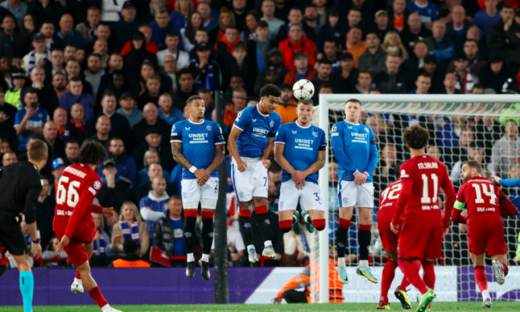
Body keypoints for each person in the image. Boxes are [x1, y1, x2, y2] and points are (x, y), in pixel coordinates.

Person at [390, 125, 456, 312]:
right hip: (435, 217)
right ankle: (427, 306)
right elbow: (451, 195)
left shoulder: (408, 166)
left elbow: (404, 194)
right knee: (428, 263)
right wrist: (445, 220)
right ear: (427, 143)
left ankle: (424, 291)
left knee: (403, 259)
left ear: (407, 144)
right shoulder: (439, 165)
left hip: (415, 218)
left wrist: (395, 219)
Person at [52, 141, 120, 312]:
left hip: (59, 223)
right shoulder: (95, 179)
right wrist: (69, 234)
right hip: (77, 226)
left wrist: (100, 209)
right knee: (90, 239)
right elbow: (80, 206)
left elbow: (71, 201)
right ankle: (105, 307)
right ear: (97, 159)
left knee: (84, 260)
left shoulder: (67, 169)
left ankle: (78, 282)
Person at [171, 95, 225, 279]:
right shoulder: (179, 126)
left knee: (208, 220)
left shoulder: (213, 126)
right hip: (189, 177)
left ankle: (205, 260)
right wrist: (196, 171)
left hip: (211, 177)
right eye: (197, 105)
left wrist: (207, 172)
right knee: (190, 219)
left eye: (203, 105)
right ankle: (189, 260)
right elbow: (176, 154)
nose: (201, 108)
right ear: (188, 109)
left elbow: (221, 153)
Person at [452, 160, 518, 308]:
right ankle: (500, 268)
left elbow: (454, 217)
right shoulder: (494, 187)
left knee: (478, 265)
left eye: (464, 170)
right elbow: (513, 211)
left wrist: (469, 218)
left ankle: (486, 297)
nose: (461, 174)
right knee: (502, 265)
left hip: (475, 225)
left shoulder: (463, 188)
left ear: (474, 171)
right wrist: (494, 210)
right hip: (494, 223)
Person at [228, 84, 281, 263]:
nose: (274, 105)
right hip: (242, 162)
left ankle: (267, 245)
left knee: (261, 201)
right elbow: (231, 138)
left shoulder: (276, 118)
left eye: (277, 102)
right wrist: (238, 161)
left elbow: (269, 142)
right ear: (263, 98)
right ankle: (250, 247)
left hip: (258, 163)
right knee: (245, 205)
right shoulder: (247, 113)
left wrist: (267, 159)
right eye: (272, 101)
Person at [330, 98, 379, 284]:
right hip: (347, 179)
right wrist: (355, 172)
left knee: (366, 220)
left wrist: (366, 173)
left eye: (355, 107)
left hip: (366, 179)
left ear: (361, 111)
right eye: (349, 107)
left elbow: (374, 154)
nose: (352, 110)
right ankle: (341, 262)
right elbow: (339, 152)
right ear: (344, 110)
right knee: (346, 218)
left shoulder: (367, 130)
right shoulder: (338, 127)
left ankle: (364, 264)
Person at [0, 139, 46, 312]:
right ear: (46, 157)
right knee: (24, 263)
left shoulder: (8, 168)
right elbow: (29, 212)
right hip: (6, 217)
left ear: (28, 154)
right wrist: (35, 241)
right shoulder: (36, 179)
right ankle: (28, 310)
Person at [274, 99, 327, 237]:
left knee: (320, 225)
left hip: (310, 179)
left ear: (312, 112)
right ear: (296, 110)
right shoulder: (285, 128)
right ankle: (295, 217)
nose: (305, 113)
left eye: (308, 110)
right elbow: (277, 156)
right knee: (284, 228)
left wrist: (304, 174)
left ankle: (306, 214)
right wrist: (295, 173)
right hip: (289, 179)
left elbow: (321, 161)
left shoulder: (319, 133)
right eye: (302, 109)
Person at [376, 176, 412, 310]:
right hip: (401, 217)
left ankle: (383, 299)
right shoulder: (412, 183)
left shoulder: (386, 189)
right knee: (417, 257)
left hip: (383, 220)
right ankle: (402, 288)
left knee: (391, 259)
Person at [152, 196, 186, 261]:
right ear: (169, 206)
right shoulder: (161, 222)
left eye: (179, 205)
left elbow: (198, 238)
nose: (177, 207)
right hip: (168, 259)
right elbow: (155, 242)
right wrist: (161, 251)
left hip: (186, 259)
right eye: (174, 205)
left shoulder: (188, 222)